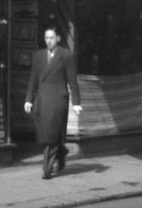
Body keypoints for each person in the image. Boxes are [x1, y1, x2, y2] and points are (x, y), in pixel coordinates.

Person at [24, 28, 82, 179]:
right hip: (42, 100)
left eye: (51, 37)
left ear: (58, 38)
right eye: (46, 38)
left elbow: (72, 81)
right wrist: (29, 99)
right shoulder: (38, 56)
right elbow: (33, 79)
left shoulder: (66, 55)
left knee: (50, 134)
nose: (48, 40)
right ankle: (61, 152)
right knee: (45, 134)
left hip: (58, 99)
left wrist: (76, 103)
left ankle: (47, 170)